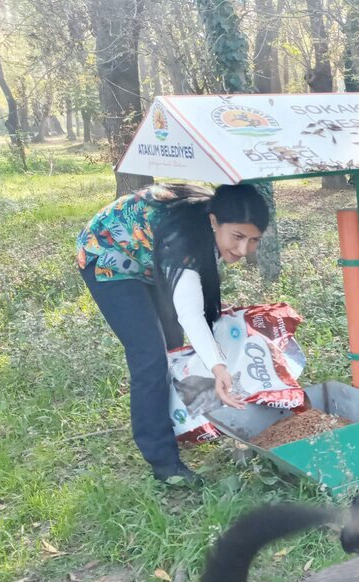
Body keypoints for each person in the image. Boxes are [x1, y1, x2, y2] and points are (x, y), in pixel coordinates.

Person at [77, 183, 269, 484]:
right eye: (237, 237)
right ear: (214, 221)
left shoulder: (211, 219)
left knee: (173, 346)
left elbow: (197, 284)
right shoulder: (184, 240)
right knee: (150, 358)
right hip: (108, 255)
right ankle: (164, 462)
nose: (244, 250)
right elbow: (189, 313)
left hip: (150, 253)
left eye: (254, 240)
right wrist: (218, 367)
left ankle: (177, 424)